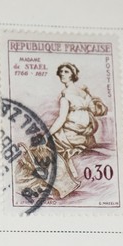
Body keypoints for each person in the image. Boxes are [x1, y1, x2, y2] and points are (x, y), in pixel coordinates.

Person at [45, 62, 108, 198]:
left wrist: (47, 134)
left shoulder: (65, 95)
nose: (62, 74)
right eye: (61, 72)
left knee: (50, 146)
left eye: (66, 71)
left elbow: (61, 119)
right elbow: (93, 110)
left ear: (73, 74)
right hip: (85, 134)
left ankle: (61, 186)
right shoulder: (85, 93)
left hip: (72, 134)